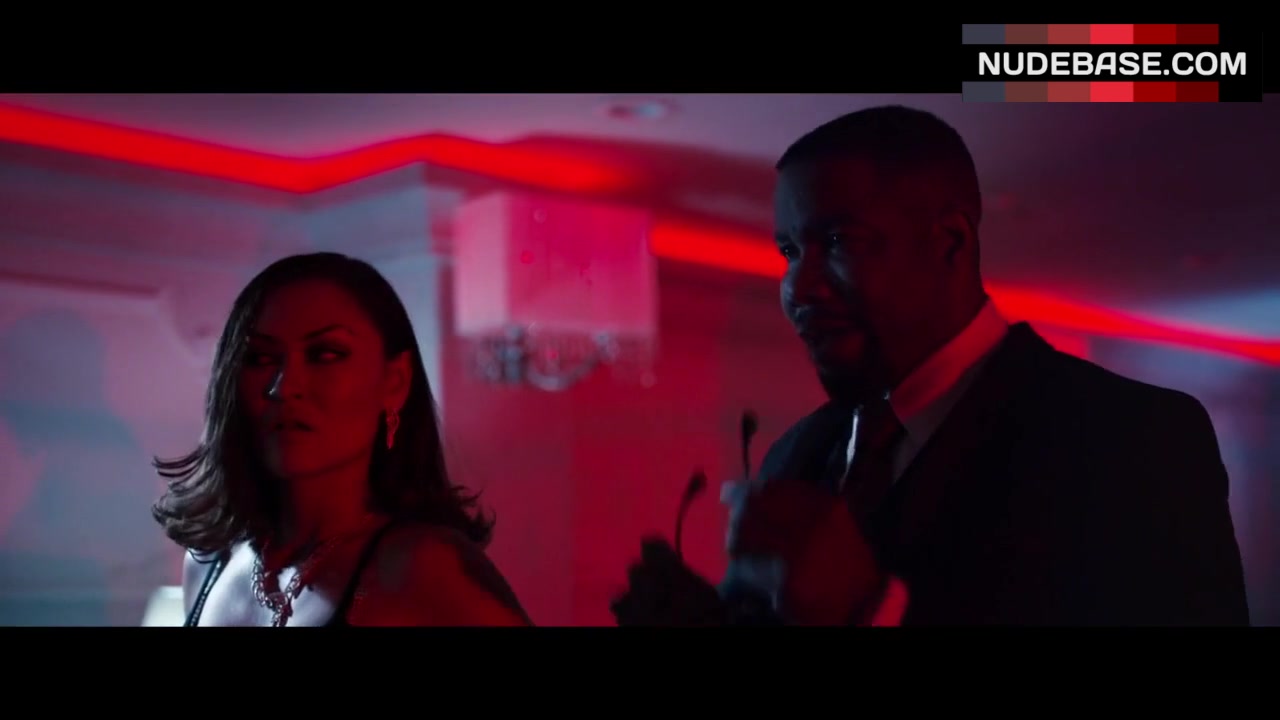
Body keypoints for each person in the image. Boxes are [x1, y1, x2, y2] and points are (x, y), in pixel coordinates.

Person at [612, 105, 1251, 626]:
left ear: (950, 241)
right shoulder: (795, 453)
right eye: (789, 251)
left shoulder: (1132, 439)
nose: (798, 287)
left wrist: (872, 611)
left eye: (837, 242)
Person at [153, 252, 530, 626]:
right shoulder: (207, 563)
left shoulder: (425, 571)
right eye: (261, 358)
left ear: (395, 381)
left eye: (325, 354)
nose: (284, 386)